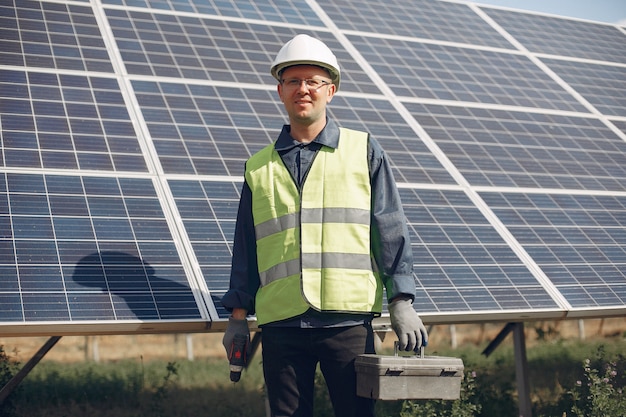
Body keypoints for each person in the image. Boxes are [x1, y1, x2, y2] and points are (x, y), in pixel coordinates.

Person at [221, 34, 428, 417]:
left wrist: (401, 300)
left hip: (346, 322)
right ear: (280, 90)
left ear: (330, 91)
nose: (303, 89)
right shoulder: (258, 167)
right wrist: (238, 317)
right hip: (281, 324)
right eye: (294, 80)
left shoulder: (364, 151)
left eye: (313, 81)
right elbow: (246, 249)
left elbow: (389, 228)